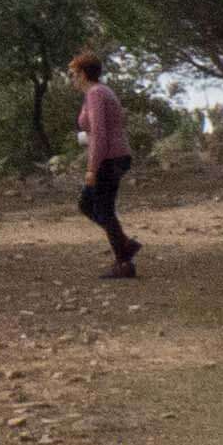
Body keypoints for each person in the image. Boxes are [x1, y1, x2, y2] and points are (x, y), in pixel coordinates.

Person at [74, 48, 138, 277]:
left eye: (74, 73)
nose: (72, 78)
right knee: (93, 205)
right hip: (113, 156)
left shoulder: (96, 94)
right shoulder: (96, 93)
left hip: (109, 158)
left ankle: (124, 260)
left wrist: (92, 168)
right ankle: (125, 248)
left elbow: (100, 133)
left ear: (83, 73)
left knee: (100, 207)